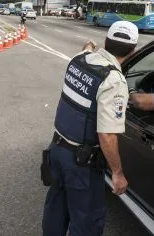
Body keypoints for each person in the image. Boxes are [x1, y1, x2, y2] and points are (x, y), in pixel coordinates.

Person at [42, 21, 138, 236]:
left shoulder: (79, 59)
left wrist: (89, 45)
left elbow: (86, 49)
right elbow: (107, 134)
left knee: (56, 208)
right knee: (87, 220)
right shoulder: (113, 80)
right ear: (133, 51)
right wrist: (118, 173)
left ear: (106, 41)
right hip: (81, 164)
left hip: (56, 149)